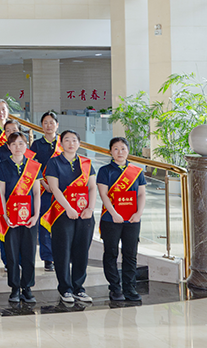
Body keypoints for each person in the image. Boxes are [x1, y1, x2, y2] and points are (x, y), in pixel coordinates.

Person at [43, 130, 97, 305]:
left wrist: (90, 208)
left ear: (79, 143)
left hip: (85, 213)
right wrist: (68, 208)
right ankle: (65, 288)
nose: (71, 143)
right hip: (62, 212)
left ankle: (79, 288)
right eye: (67, 140)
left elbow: (92, 187)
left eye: (74, 140)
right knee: (62, 251)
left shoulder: (86, 163)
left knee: (82, 251)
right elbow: (54, 188)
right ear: (61, 143)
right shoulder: (53, 162)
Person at [0, 132, 42, 304]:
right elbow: (0, 193)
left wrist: (36, 215)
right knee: (12, 253)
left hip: (30, 217)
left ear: (26, 145)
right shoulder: (2, 166)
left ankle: (27, 287)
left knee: (29, 252)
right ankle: (14, 288)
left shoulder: (34, 166)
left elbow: (36, 193)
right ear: (8, 147)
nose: (17, 147)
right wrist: (4, 215)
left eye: (21, 143)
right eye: (13, 144)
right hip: (10, 217)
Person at [96, 136, 147, 302]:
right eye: (116, 149)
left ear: (128, 151)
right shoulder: (105, 171)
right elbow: (103, 194)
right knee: (111, 253)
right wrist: (114, 213)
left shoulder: (137, 171)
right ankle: (115, 288)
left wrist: (139, 213)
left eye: (123, 149)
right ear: (110, 152)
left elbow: (141, 194)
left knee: (130, 254)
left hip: (132, 219)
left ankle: (129, 287)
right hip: (110, 219)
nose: (120, 152)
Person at [31, 111, 62, 272]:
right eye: (45, 123)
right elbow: (32, 167)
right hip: (43, 189)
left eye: (52, 122)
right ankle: (48, 258)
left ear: (57, 125)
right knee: (44, 224)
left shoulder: (64, 143)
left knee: (60, 223)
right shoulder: (36, 145)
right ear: (41, 126)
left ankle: (60, 256)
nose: (49, 126)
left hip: (61, 190)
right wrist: (44, 182)